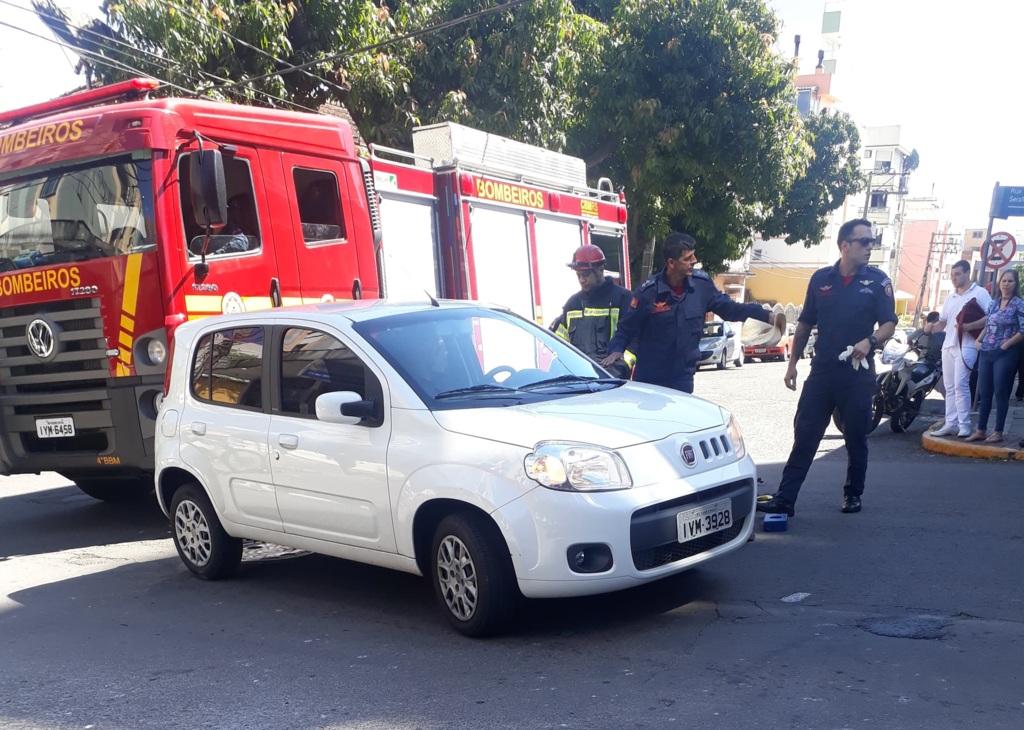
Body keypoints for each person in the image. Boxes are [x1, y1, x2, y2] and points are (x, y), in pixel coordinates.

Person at [757, 219, 897, 516]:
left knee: (855, 435)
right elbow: (805, 323)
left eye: (873, 241)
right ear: (845, 245)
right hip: (822, 373)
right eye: (864, 242)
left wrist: (870, 341)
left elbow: (889, 324)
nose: (871, 246)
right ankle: (786, 498)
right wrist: (792, 364)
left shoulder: (878, 281)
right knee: (805, 434)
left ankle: (852, 493)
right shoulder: (821, 278)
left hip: (857, 375)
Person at [600, 231, 779, 394]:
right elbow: (626, 328)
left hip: (683, 379)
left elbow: (730, 309)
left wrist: (765, 316)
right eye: (688, 258)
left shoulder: (702, 286)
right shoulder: (648, 293)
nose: (694, 261)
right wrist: (615, 351)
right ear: (671, 263)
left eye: (693, 255)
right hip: (650, 379)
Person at [550, 245, 634, 379]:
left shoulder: (623, 299)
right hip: (578, 380)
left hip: (611, 381)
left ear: (600, 270)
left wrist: (621, 366)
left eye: (585, 274)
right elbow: (559, 343)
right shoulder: (572, 304)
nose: (582, 280)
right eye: (578, 275)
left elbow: (635, 340)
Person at [929, 260, 992, 438]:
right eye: (952, 275)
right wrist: (931, 328)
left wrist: (969, 326)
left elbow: (990, 317)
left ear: (967, 273)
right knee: (949, 386)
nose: (954, 278)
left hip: (968, 344)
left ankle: (964, 424)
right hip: (949, 344)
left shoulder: (980, 293)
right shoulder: (951, 297)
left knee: (960, 384)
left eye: (957, 274)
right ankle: (951, 423)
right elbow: (943, 322)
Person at [964, 269, 1024, 443]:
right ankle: (981, 430)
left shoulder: (1019, 304)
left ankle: (998, 431)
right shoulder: (993, 304)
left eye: (1010, 281)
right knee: (985, 391)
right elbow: (988, 324)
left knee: (1000, 392)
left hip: (1005, 353)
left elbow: (1022, 330)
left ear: (1015, 284)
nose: (1006, 284)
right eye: (1003, 281)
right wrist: (978, 341)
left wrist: (1005, 345)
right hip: (986, 351)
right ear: (999, 283)